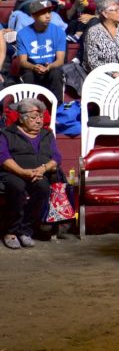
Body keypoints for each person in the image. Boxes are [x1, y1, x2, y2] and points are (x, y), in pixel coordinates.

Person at [0, 99, 61, 249]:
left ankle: (25, 230)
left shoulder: (47, 134)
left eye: (40, 117)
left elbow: (56, 157)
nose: (39, 121)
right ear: (21, 118)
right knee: (17, 187)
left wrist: (43, 169)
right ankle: (10, 231)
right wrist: (22, 172)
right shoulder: (7, 134)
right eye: (34, 117)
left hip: (38, 172)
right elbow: (3, 157)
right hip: (13, 172)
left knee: (42, 187)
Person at [15, 0, 66, 100]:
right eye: (43, 13)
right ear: (33, 15)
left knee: (56, 73)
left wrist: (49, 66)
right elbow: (22, 61)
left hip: (50, 68)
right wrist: (33, 67)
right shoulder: (22, 34)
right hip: (32, 68)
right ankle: (28, 109)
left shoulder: (59, 32)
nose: (48, 16)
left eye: (49, 12)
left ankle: (57, 110)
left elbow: (60, 60)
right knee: (27, 74)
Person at [82, 0, 119, 73]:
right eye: (116, 10)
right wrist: (111, 74)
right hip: (102, 76)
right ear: (105, 14)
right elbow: (92, 61)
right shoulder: (94, 32)